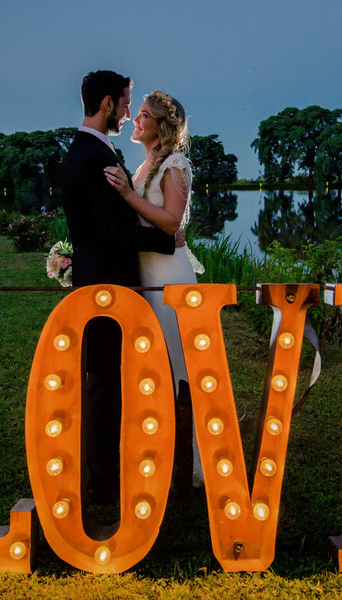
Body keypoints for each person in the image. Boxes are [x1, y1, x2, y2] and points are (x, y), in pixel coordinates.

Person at [61, 70, 177, 505]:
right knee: (105, 383)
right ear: (107, 103)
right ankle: (104, 481)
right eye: (126, 103)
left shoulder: (91, 150)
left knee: (108, 380)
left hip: (103, 280)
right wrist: (165, 241)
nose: (129, 113)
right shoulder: (93, 157)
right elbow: (111, 233)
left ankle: (110, 467)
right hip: (106, 284)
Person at [104, 90, 205, 491]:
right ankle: (154, 447)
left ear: (160, 125)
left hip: (168, 274)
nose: (135, 119)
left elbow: (170, 220)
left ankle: (189, 459)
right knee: (149, 365)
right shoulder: (144, 163)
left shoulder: (177, 164)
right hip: (143, 270)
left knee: (175, 362)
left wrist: (127, 194)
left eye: (143, 115)